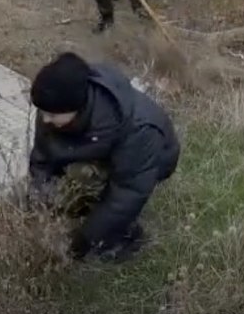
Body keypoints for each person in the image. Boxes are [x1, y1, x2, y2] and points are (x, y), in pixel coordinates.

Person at [27, 52, 180, 262]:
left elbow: (127, 192)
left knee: (86, 179)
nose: (45, 119)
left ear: (77, 108)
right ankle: (85, 211)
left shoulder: (140, 129)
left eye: (52, 115)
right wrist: (40, 200)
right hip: (98, 150)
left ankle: (123, 237)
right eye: (42, 112)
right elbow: (42, 159)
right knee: (52, 195)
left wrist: (82, 240)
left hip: (149, 161)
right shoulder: (54, 108)